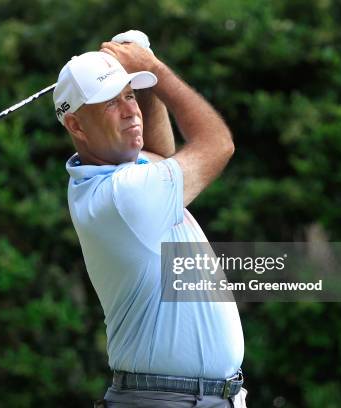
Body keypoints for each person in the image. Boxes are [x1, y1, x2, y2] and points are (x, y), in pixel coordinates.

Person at [53, 30, 247, 408]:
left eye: (130, 95)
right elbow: (218, 144)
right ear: (76, 126)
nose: (130, 110)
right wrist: (155, 69)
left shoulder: (110, 176)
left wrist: (146, 78)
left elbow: (158, 153)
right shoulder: (124, 196)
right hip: (165, 400)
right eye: (110, 103)